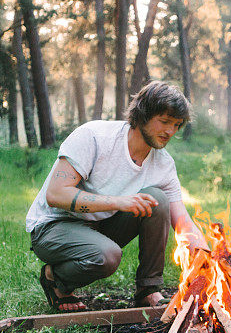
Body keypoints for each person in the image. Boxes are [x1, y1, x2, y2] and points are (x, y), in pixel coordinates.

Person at [26, 81, 208, 312]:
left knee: (157, 199)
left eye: (176, 125)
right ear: (143, 115)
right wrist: (119, 202)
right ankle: (55, 279)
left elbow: (181, 220)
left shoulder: (163, 164)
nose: (170, 131)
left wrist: (204, 254)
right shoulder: (94, 136)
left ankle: (148, 289)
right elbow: (56, 194)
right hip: (53, 227)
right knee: (107, 256)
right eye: (164, 121)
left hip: (99, 225)